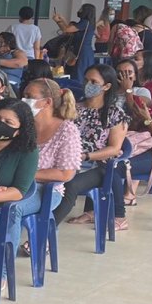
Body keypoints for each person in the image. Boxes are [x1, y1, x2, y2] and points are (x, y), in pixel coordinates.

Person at [0, 98, 39, 293]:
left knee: (11, 213)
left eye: (8, 123)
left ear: (19, 130)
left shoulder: (26, 151)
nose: (0, 124)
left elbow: (18, 191)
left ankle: (1, 274)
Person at [55, 65, 129, 230]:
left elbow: (115, 148)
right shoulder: (74, 109)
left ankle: (46, 230)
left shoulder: (114, 114)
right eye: (86, 80)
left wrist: (86, 156)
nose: (88, 84)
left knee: (70, 185)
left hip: (98, 164)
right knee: (50, 180)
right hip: (69, 160)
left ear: (106, 86)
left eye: (94, 81)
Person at [18, 78, 82, 256]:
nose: (24, 100)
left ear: (47, 102)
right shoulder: (24, 126)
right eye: (23, 96)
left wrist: (27, 175)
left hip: (46, 190)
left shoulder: (67, 130)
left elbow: (66, 173)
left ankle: (3, 271)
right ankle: (2, 246)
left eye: (29, 96)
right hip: (18, 184)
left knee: (11, 209)